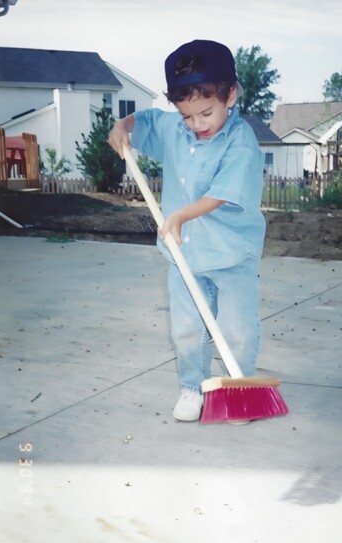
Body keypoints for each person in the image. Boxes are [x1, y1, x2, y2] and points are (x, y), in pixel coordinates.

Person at [108, 39, 266, 422]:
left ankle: (238, 387)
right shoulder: (176, 128)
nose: (197, 125)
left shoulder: (241, 141)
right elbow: (144, 122)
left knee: (236, 327)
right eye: (188, 116)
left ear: (230, 94)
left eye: (206, 113)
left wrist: (178, 216)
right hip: (186, 256)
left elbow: (219, 195)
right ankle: (192, 387)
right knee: (186, 327)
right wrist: (122, 125)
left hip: (231, 255)